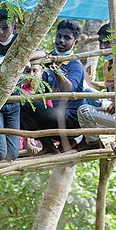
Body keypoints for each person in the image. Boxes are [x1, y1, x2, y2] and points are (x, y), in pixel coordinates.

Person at [20, 19, 86, 153]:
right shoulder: (48, 58)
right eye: (59, 36)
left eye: (67, 38)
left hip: (71, 120)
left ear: (75, 42)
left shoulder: (75, 64)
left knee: (22, 102)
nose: (61, 40)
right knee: (20, 107)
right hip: (52, 116)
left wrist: (56, 70)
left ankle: (67, 141)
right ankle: (49, 146)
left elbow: (69, 89)